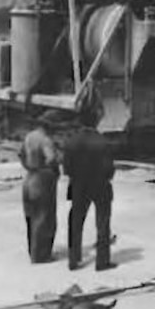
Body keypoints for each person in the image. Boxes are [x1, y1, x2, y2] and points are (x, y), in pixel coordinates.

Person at [62, 107, 116, 271]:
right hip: (100, 186)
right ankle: (102, 262)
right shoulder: (102, 141)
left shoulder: (71, 141)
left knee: (76, 221)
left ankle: (73, 259)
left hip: (78, 185)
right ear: (96, 121)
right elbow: (109, 169)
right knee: (102, 223)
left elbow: (66, 168)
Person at [18, 116, 60, 263]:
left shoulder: (29, 137)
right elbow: (51, 158)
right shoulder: (45, 140)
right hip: (42, 179)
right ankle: (42, 256)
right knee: (45, 217)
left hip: (29, 178)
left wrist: (29, 166)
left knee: (31, 217)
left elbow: (20, 154)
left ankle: (33, 252)